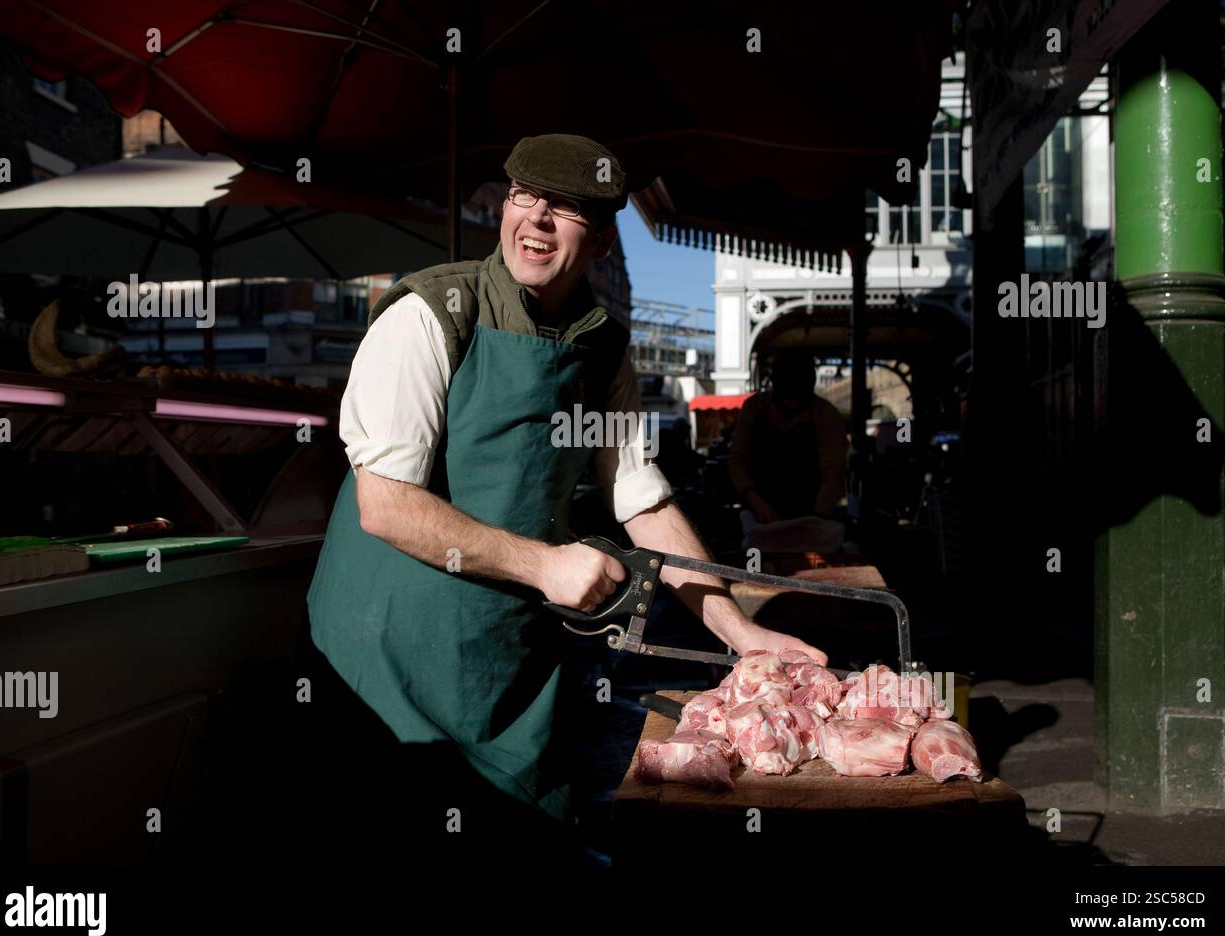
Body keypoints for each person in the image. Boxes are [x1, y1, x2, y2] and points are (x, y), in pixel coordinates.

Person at [306, 134, 827, 855]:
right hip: (390, 644)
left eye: (568, 208)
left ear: (605, 238)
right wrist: (547, 566)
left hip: (504, 656)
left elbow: (641, 501)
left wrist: (740, 633)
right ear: (504, 205)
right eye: (527, 195)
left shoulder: (604, 351)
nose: (538, 219)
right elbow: (385, 504)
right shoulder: (430, 314)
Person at [728, 350, 848, 524]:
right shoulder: (754, 408)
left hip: (812, 513)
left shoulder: (826, 415)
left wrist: (817, 517)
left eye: (798, 403)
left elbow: (833, 471)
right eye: (786, 402)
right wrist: (756, 502)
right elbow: (736, 461)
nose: (792, 408)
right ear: (775, 383)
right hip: (758, 516)